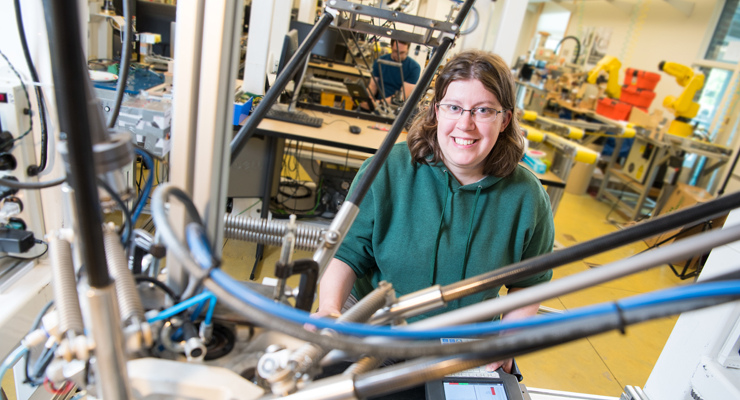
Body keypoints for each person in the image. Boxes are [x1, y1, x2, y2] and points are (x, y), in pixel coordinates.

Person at [315, 50, 555, 373]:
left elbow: (529, 283)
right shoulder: (387, 169)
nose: (465, 124)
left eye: (483, 111)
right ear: (436, 111)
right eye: (454, 107)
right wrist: (330, 310)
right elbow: (346, 253)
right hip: (372, 325)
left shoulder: (528, 197)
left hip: (463, 339)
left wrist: (505, 341)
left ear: (505, 120)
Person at [364, 39, 421, 109]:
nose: (398, 56)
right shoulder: (380, 61)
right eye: (396, 51)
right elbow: (372, 86)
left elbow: (402, 96)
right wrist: (365, 99)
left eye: (402, 53)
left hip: (396, 108)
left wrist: (378, 103)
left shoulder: (414, 67)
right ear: (391, 47)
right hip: (377, 104)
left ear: (408, 50)